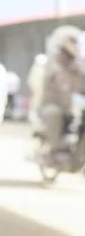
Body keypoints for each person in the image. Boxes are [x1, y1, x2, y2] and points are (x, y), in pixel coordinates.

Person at [38, 26, 85, 156]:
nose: (68, 57)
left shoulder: (75, 67)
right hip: (51, 105)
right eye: (66, 53)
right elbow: (60, 81)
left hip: (70, 107)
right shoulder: (53, 65)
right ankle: (55, 146)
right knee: (55, 113)